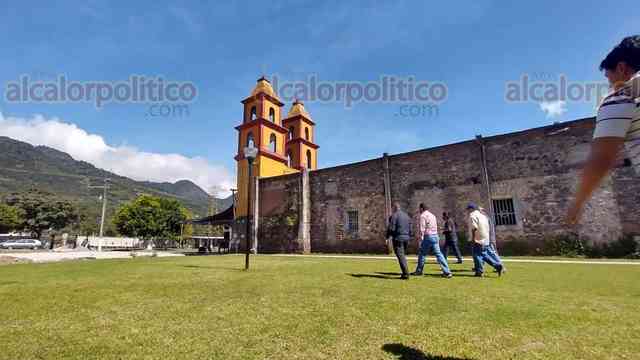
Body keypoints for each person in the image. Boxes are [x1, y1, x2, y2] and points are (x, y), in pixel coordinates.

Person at [568, 35, 640, 224]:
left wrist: (577, 203)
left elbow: (601, 159)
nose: (610, 85)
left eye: (609, 79)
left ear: (622, 68)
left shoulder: (622, 98)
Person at [411, 203, 452, 278]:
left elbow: (422, 229)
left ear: (422, 208)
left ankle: (419, 271)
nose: (419, 210)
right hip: (435, 236)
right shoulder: (433, 215)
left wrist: (420, 239)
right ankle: (447, 272)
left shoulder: (423, 216)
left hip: (428, 236)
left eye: (419, 208)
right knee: (439, 254)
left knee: (422, 253)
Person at [467, 202, 504, 277]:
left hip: (478, 238)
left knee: (477, 255)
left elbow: (474, 228)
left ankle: (479, 272)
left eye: (468, 209)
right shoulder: (483, 216)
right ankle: (497, 265)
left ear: (471, 209)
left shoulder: (472, 216)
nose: (468, 211)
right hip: (485, 239)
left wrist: (473, 239)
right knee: (483, 255)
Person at [386, 202, 412, 280]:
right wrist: (409, 236)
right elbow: (410, 228)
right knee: (402, 255)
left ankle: (406, 273)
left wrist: (388, 237)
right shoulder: (406, 216)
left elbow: (391, 228)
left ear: (394, 208)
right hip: (406, 238)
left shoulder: (394, 216)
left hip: (398, 238)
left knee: (401, 256)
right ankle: (405, 273)